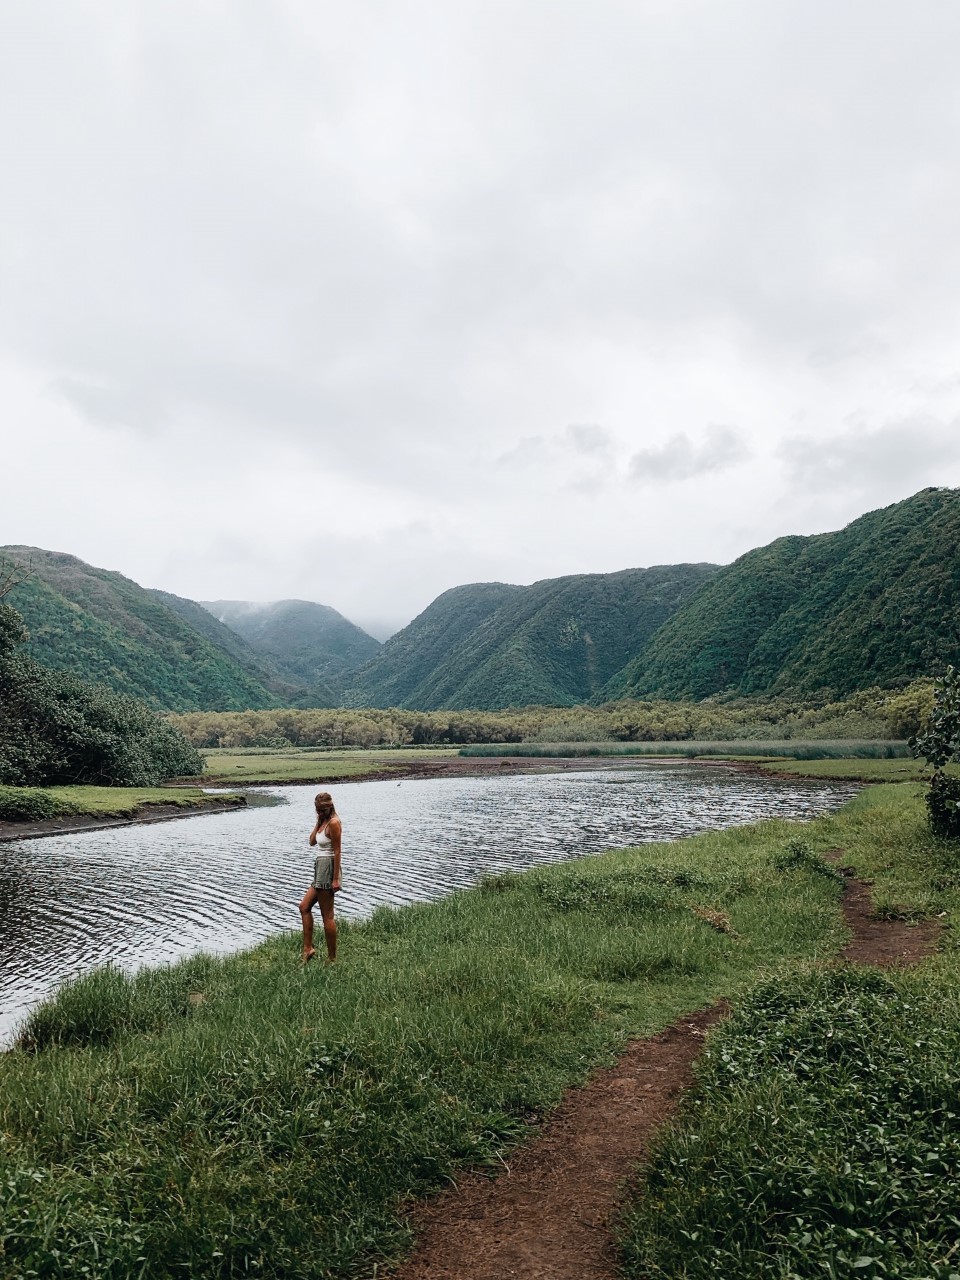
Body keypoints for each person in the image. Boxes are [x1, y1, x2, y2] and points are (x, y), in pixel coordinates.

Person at [299, 791, 342, 963]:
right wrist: (318, 821)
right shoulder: (323, 821)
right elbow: (311, 842)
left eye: (321, 810)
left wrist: (335, 879)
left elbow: (337, 851)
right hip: (319, 868)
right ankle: (308, 948)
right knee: (304, 907)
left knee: (327, 916)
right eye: (317, 810)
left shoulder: (334, 823)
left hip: (328, 867)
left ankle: (332, 959)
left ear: (329, 807)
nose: (318, 813)